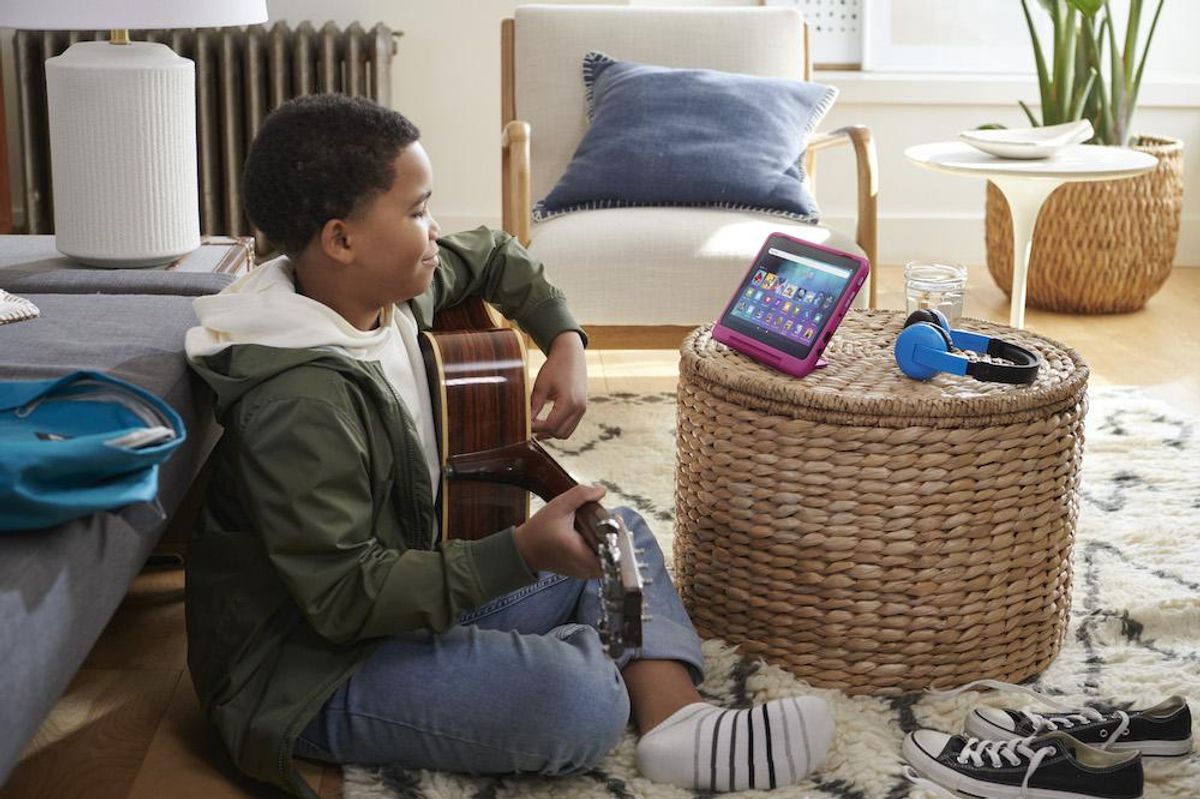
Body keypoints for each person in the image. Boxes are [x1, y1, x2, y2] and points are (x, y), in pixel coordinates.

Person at [183, 94, 834, 799]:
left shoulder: (383, 295)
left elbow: (493, 254)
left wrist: (563, 338)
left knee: (615, 532)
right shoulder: (299, 403)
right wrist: (518, 555)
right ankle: (585, 669)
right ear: (342, 240)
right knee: (582, 703)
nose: (435, 230)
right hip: (307, 668)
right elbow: (342, 599)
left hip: (400, 592)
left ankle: (679, 719)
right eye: (416, 211)